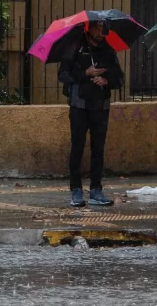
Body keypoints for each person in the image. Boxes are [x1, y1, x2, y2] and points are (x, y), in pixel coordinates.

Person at [58, 20, 124, 207]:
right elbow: (63, 74)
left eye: (103, 28)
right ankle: (76, 190)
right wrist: (85, 73)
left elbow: (119, 78)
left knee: (98, 149)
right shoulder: (76, 47)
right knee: (77, 147)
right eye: (96, 27)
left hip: (101, 105)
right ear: (89, 28)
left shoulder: (108, 50)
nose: (100, 31)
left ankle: (96, 189)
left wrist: (106, 80)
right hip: (79, 105)